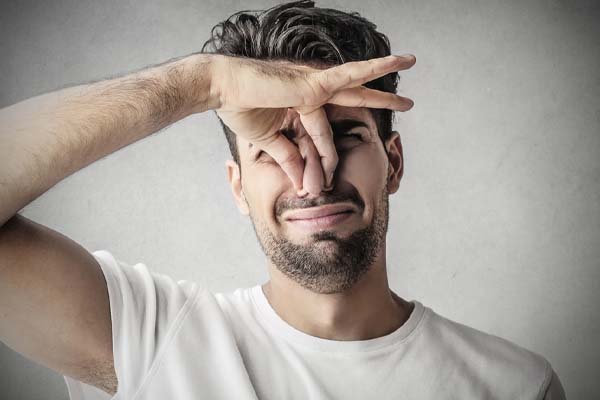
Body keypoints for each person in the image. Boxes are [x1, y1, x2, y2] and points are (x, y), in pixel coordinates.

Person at [0, 1, 566, 399]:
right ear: (237, 186)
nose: (312, 176)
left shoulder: (513, 385)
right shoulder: (150, 341)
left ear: (393, 162)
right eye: (274, 149)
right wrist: (205, 85)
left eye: (345, 137)